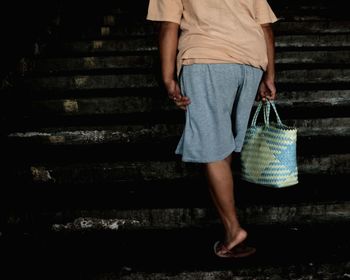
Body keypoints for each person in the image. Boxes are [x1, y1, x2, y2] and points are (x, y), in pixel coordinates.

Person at [146, 0, 278, 258]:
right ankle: (229, 226)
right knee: (222, 144)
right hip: (250, 62)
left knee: (212, 148)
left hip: (205, 58)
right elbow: (266, 28)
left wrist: (167, 78)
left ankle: (233, 230)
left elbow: (168, 25)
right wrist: (269, 75)